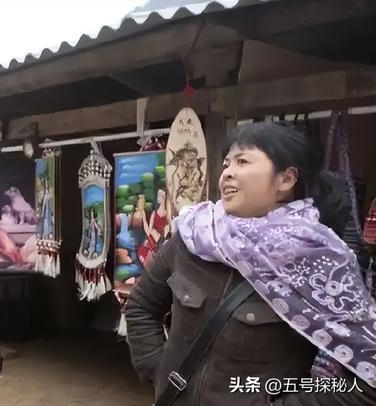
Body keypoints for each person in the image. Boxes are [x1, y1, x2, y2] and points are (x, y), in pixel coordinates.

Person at [125, 122, 376, 405]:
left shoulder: (322, 262)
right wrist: (158, 371)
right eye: (226, 164)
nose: (227, 173)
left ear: (286, 180)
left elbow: (369, 382)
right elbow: (141, 306)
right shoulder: (194, 237)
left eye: (242, 161)